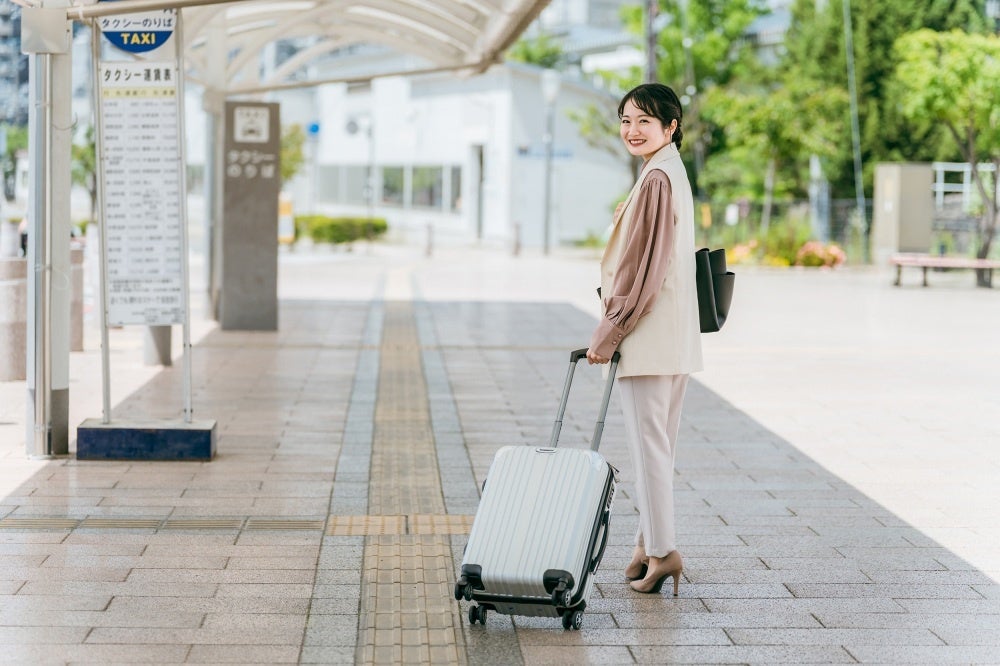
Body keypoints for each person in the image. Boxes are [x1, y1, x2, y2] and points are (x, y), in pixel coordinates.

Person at [586, 83, 703, 596]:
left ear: (671, 127)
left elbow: (641, 270)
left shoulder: (656, 178)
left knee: (648, 448)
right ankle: (647, 547)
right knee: (660, 447)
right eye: (626, 120)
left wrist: (609, 333)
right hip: (672, 339)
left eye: (645, 121)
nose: (632, 130)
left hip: (647, 337)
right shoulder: (668, 171)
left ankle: (662, 552)